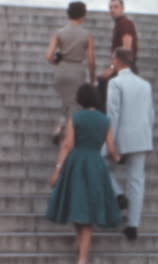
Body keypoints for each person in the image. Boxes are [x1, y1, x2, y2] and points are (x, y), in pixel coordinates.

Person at [46, 83, 122, 264]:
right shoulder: (105, 120)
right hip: (96, 164)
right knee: (88, 210)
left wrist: (57, 169)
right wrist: (117, 157)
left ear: (80, 99)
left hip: (77, 163)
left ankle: (80, 250)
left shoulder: (76, 118)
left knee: (77, 205)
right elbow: (111, 148)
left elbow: (67, 144)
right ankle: (82, 254)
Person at [106, 48, 155, 241]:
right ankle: (133, 224)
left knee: (102, 165)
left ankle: (118, 194)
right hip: (142, 136)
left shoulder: (115, 83)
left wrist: (112, 141)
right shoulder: (145, 84)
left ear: (117, 61)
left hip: (122, 135)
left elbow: (113, 113)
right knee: (136, 181)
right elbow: (151, 113)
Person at [45, 1, 95, 144]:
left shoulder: (59, 33)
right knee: (74, 103)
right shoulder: (87, 35)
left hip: (62, 70)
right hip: (77, 70)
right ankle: (68, 134)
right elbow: (91, 60)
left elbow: (48, 56)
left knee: (66, 101)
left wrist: (57, 61)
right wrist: (92, 78)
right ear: (82, 16)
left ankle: (60, 126)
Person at [97, 0, 139, 112]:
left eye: (116, 7)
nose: (112, 10)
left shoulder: (125, 23)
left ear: (122, 8)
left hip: (125, 68)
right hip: (122, 67)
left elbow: (127, 48)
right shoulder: (119, 24)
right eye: (110, 7)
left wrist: (112, 69)